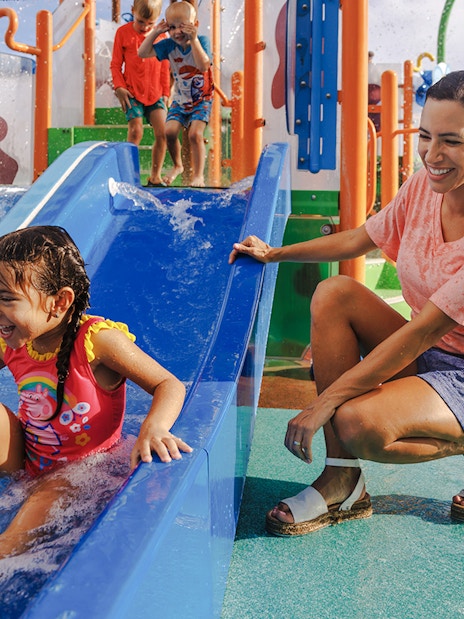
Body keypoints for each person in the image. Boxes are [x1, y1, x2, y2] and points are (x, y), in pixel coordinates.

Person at [229, 70, 464, 536]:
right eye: (424, 136)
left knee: (356, 421)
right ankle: (342, 480)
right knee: (334, 293)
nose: (432, 155)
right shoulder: (424, 187)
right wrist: (275, 253)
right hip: (430, 354)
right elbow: (361, 238)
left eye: (451, 141)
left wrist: (324, 405)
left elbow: (421, 332)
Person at [0, 225, 192, 556]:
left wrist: (154, 427)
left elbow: (168, 383)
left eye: (5, 299)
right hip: (25, 460)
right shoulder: (14, 339)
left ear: (59, 301)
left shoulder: (97, 342)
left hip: (74, 474)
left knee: (9, 547)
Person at [138, 1, 214, 187]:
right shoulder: (169, 45)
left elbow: (204, 65)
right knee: (169, 132)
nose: (177, 32)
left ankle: (198, 176)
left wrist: (194, 39)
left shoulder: (201, 41)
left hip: (201, 100)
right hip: (180, 101)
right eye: (172, 27)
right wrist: (156, 32)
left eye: (183, 26)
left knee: (195, 135)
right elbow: (142, 52)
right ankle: (178, 166)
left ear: (194, 25)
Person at [110, 0, 171, 187]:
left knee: (164, 133)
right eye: (141, 21)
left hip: (155, 93)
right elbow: (115, 64)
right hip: (131, 92)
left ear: (157, 20)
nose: (145, 27)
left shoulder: (161, 37)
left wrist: (166, 93)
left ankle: (155, 177)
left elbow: (165, 67)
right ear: (132, 12)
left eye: (150, 24)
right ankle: (130, 177)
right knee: (136, 131)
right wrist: (119, 87)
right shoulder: (123, 33)